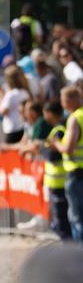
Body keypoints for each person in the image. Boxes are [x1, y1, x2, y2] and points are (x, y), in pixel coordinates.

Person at [52, 86, 83, 242]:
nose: (62, 104)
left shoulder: (75, 118)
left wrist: (56, 143)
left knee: (77, 218)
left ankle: (78, 259)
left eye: (63, 100)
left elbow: (68, 148)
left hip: (77, 175)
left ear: (71, 100)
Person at [40, 101, 71, 241]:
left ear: (50, 113)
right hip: (57, 182)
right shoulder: (58, 129)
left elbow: (53, 155)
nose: (44, 116)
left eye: (45, 113)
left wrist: (42, 149)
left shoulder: (60, 130)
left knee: (62, 220)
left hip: (59, 182)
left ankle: (68, 250)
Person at [0, 67, 31, 145]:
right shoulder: (25, 92)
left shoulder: (10, 95)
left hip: (12, 128)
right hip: (22, 126)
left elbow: (2, 112)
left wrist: (0, 98)